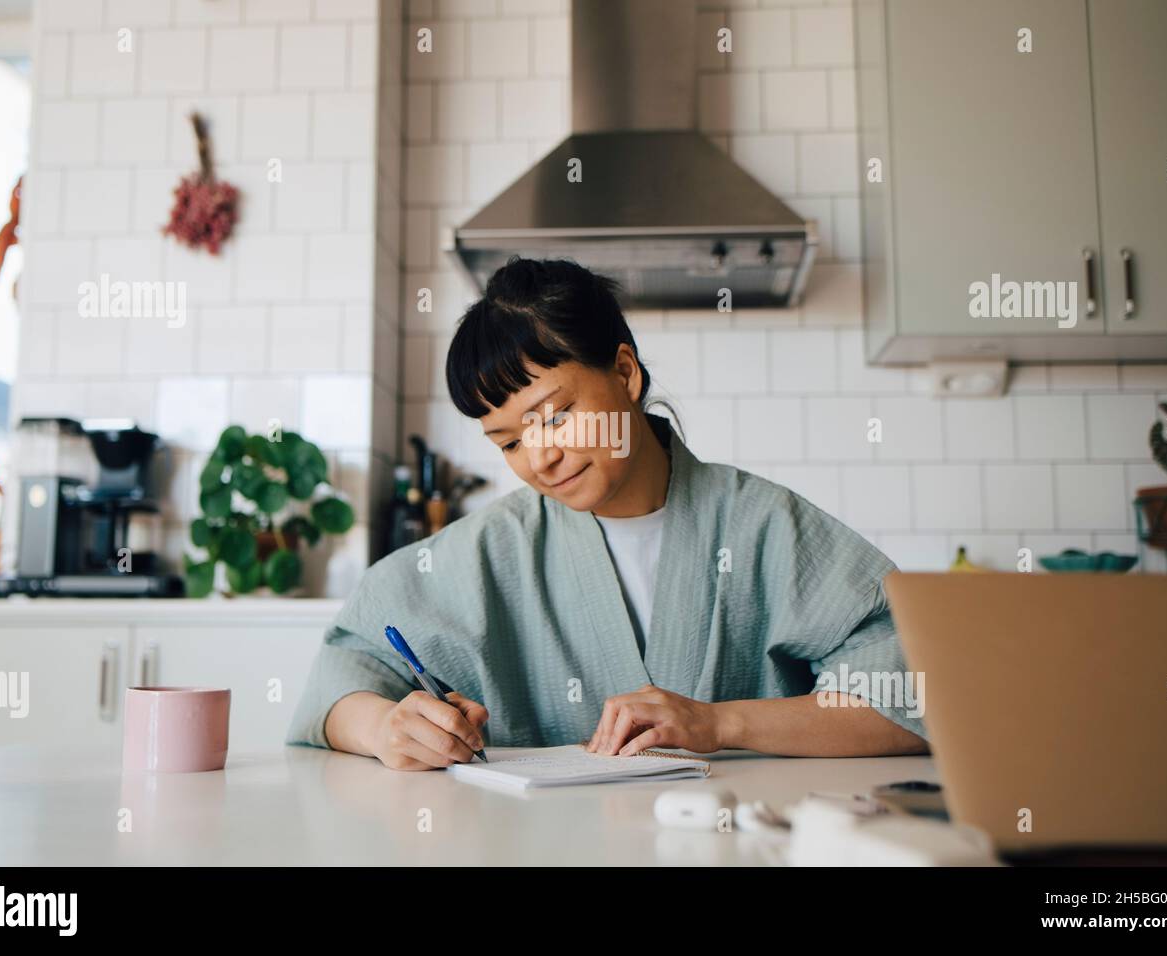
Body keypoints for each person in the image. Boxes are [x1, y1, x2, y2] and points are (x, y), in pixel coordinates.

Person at [287, 257, 929, 770]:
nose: (540, 457)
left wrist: (719, 722)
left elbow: (916, 696)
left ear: (624, 373)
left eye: (556, 415)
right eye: (509, 442)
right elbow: (341, 680)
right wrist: (384, 727)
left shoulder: (762, 526)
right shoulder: (488, 550)